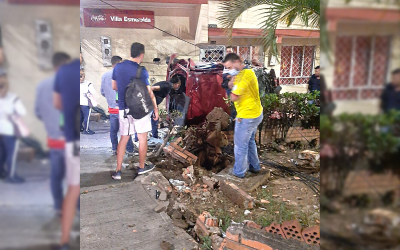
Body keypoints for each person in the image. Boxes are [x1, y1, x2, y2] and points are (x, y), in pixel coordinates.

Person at [111, 42, 158, 180]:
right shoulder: (142, 71)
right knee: (142, 138)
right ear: (142, 54)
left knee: (124, 138)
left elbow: (114, 86)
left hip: (123, 109)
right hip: (139, 109)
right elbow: (149, 92)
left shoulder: (118, 67)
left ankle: (118, 171)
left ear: (130, 52)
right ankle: (142, 167)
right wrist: (155, 108)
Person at [35, 52, 70, 217]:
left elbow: (38, 112)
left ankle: (58, 207)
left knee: (56, 174)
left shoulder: (42, 86)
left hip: (54, 140)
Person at [222, 53, 263, 178]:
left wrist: (231, 86)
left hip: (248, 116)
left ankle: (239, 172)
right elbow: (231, 87)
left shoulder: (246, 75)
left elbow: (233, 97)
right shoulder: (240, 75)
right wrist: (231, 83)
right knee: (249, 142)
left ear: (237, 62)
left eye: (229, 67)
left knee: (240, 145)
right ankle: (255, 167)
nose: (229, 70)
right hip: (253, 113)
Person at [53, 58, 80, 250]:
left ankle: (64, 240)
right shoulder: (75, 71)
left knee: (72, 188)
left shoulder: (62, 72)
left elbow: (57, 103)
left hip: (70, 137)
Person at [100, 56, 135, 156]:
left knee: (113, 130)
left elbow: (102, 92)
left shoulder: (105, 75)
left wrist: (110, 100)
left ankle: (114, 148)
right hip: (123, 108)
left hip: (112, 109)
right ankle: (130, 149)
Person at [0, 69, 26, 183]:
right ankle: (11, 176)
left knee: (2, 153)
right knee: (11, 154)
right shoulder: (12, 97)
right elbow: (22, 112)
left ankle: (2, 172)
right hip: (8, 130)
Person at [80, 69, 96, 134]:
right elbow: (93, 92)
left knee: (80, 116)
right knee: (87, 116)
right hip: (85, 103)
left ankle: (80, 127)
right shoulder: (88, 83)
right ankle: (86, 130)